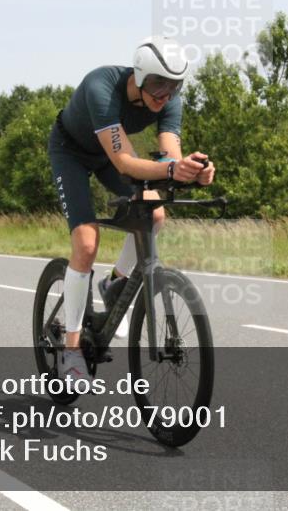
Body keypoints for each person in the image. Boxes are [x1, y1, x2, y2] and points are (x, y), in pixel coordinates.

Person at [48, 36, 215, 383]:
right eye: (157, 84)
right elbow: (125, 162)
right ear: (139, 76)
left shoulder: (168, 100)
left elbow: (169, 157)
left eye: (173, 86)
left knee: (155, 215)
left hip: (108, 156)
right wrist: (172, 170)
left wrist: (192, 171)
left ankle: (115, 283)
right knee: (86, 243)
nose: (164, 94)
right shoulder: (102, 87)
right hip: (71, 153)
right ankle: (71, 351)